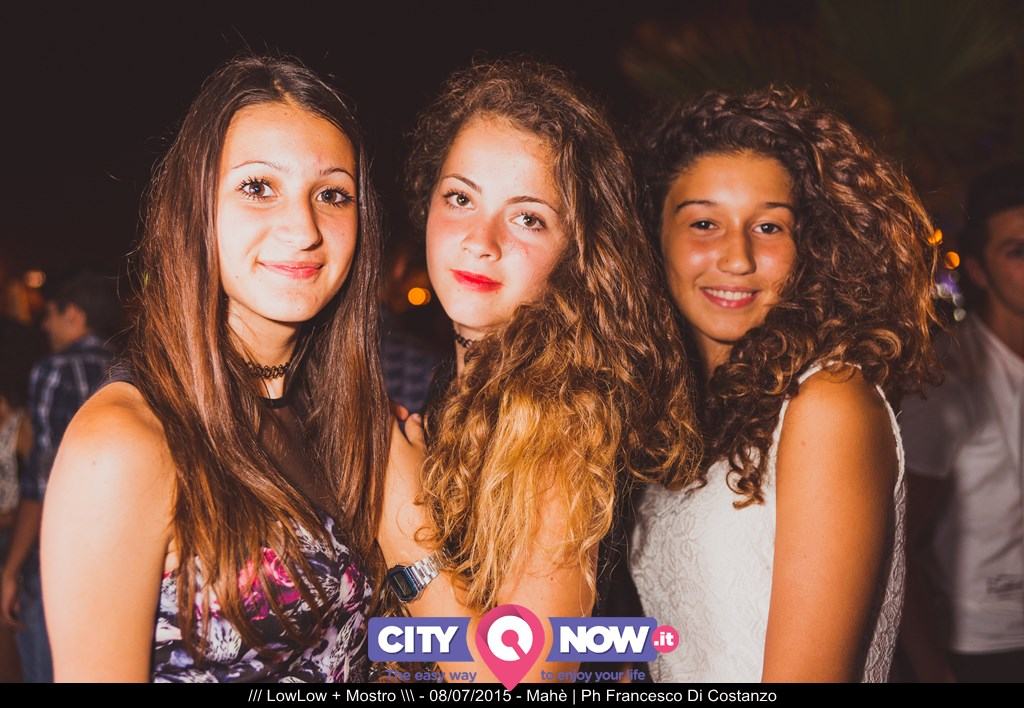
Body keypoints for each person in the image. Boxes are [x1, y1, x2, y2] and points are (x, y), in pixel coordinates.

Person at [40, 56, 389, 682]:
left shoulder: (330, 419)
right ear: (196, 209)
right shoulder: (125, 443)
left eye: (332, 194)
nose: (303, 228)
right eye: (258, 187)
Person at [378, 59, 699, 684]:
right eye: (460, 198)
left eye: (527, 217)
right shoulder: (462, 387)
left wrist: (403, 525)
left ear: (577, 252)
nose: (482, 240)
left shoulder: (560, 417)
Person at [629, 88, 940, 682]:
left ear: (811, 246)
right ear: (653, 236)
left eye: (769, 226)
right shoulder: (678, 413)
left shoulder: (827, 403)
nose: (737, 257)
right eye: (704, 223)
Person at [898, 161, 1024, 683]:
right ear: (978, 271)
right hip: (986, 646)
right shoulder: (947, 380)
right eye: (1018, 252)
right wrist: (933, 668)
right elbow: (898, 542)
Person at [2, 272, 118, 682]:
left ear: (74, 314)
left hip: (63, 552)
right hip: (121, 546)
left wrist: (12, 569)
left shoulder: (55, 369)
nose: (45, 325)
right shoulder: (132, 366)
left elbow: (43, 480)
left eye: (50, 314)